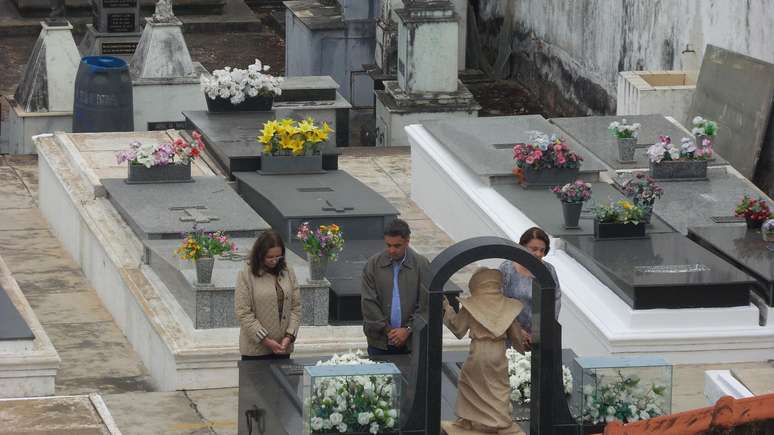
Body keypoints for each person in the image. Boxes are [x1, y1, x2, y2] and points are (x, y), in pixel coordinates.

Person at [443, 268, 526, 435]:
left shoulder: (472, 307)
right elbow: (517, 337)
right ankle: (488, 422)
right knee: (498, 387)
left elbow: (458, 329)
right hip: (498, 351)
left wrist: (447, 308)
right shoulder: (507, 307)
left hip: (479, 350)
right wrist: (525, 344)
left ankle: (476, 421)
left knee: (468, 383)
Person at [361, 218, 430, 356]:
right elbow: (369, 303)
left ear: (407, 241)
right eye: (388, 245)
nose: (392, 250)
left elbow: (426, 304)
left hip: (412, 343)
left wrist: (408, 330)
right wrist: (389, 331)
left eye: (397, 246)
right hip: (379, 342)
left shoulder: (421, 265)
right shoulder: (373, 265)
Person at [235, 230, 301, 360]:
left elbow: (296, 307)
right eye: (270, 257)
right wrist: (265, 340)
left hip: (283, 348)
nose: (274, 261)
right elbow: (243, 312)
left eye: (278, 256)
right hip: (256, 351)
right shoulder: (246, 274)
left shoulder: (288, 271)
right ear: (260, 255)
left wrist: (289, 336)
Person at [498, 227, 562, 349]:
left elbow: (555, 301)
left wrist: (539, 333)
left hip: (540, 339)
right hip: (511, 336)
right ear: (522, 247)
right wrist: (517, 331)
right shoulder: (507, 269)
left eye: (542, 250)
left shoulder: (549, 270)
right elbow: (500, 302)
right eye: (534, 249)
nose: (539, 254)